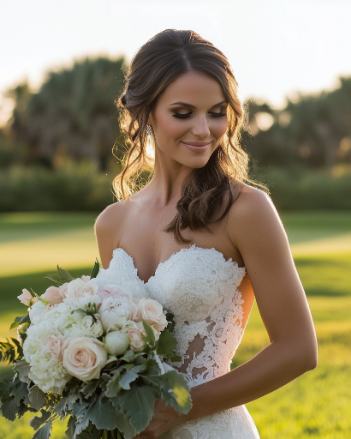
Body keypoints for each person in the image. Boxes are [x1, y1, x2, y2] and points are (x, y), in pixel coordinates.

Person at [95, 29, 318, 439]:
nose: (203, 130)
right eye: (183, 113)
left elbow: (299, 350)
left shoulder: (246, 210)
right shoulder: (112, 222)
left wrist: (177, 410)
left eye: (216, 112)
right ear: (143, 112)